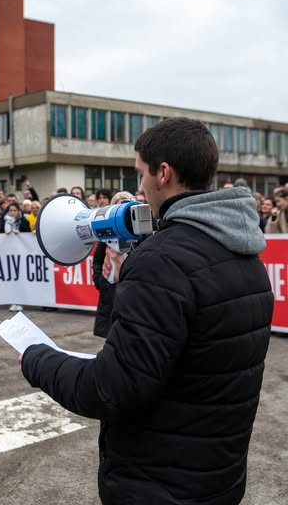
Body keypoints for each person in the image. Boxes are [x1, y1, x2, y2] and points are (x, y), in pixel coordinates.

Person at [21, 117, 274, 505]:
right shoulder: (250, 260)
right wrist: (135, 282)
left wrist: (37, 359)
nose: (139, 186)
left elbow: (111, 389)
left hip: (157, 486)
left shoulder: (162, 262)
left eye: (141, 173)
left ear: (164, 173)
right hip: (218, 480)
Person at [91, 191, 134, 338]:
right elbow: (97, 260)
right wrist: (100, 280)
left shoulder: (139, 235)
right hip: (109, 294)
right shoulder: (106, 235)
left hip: (129, 294)